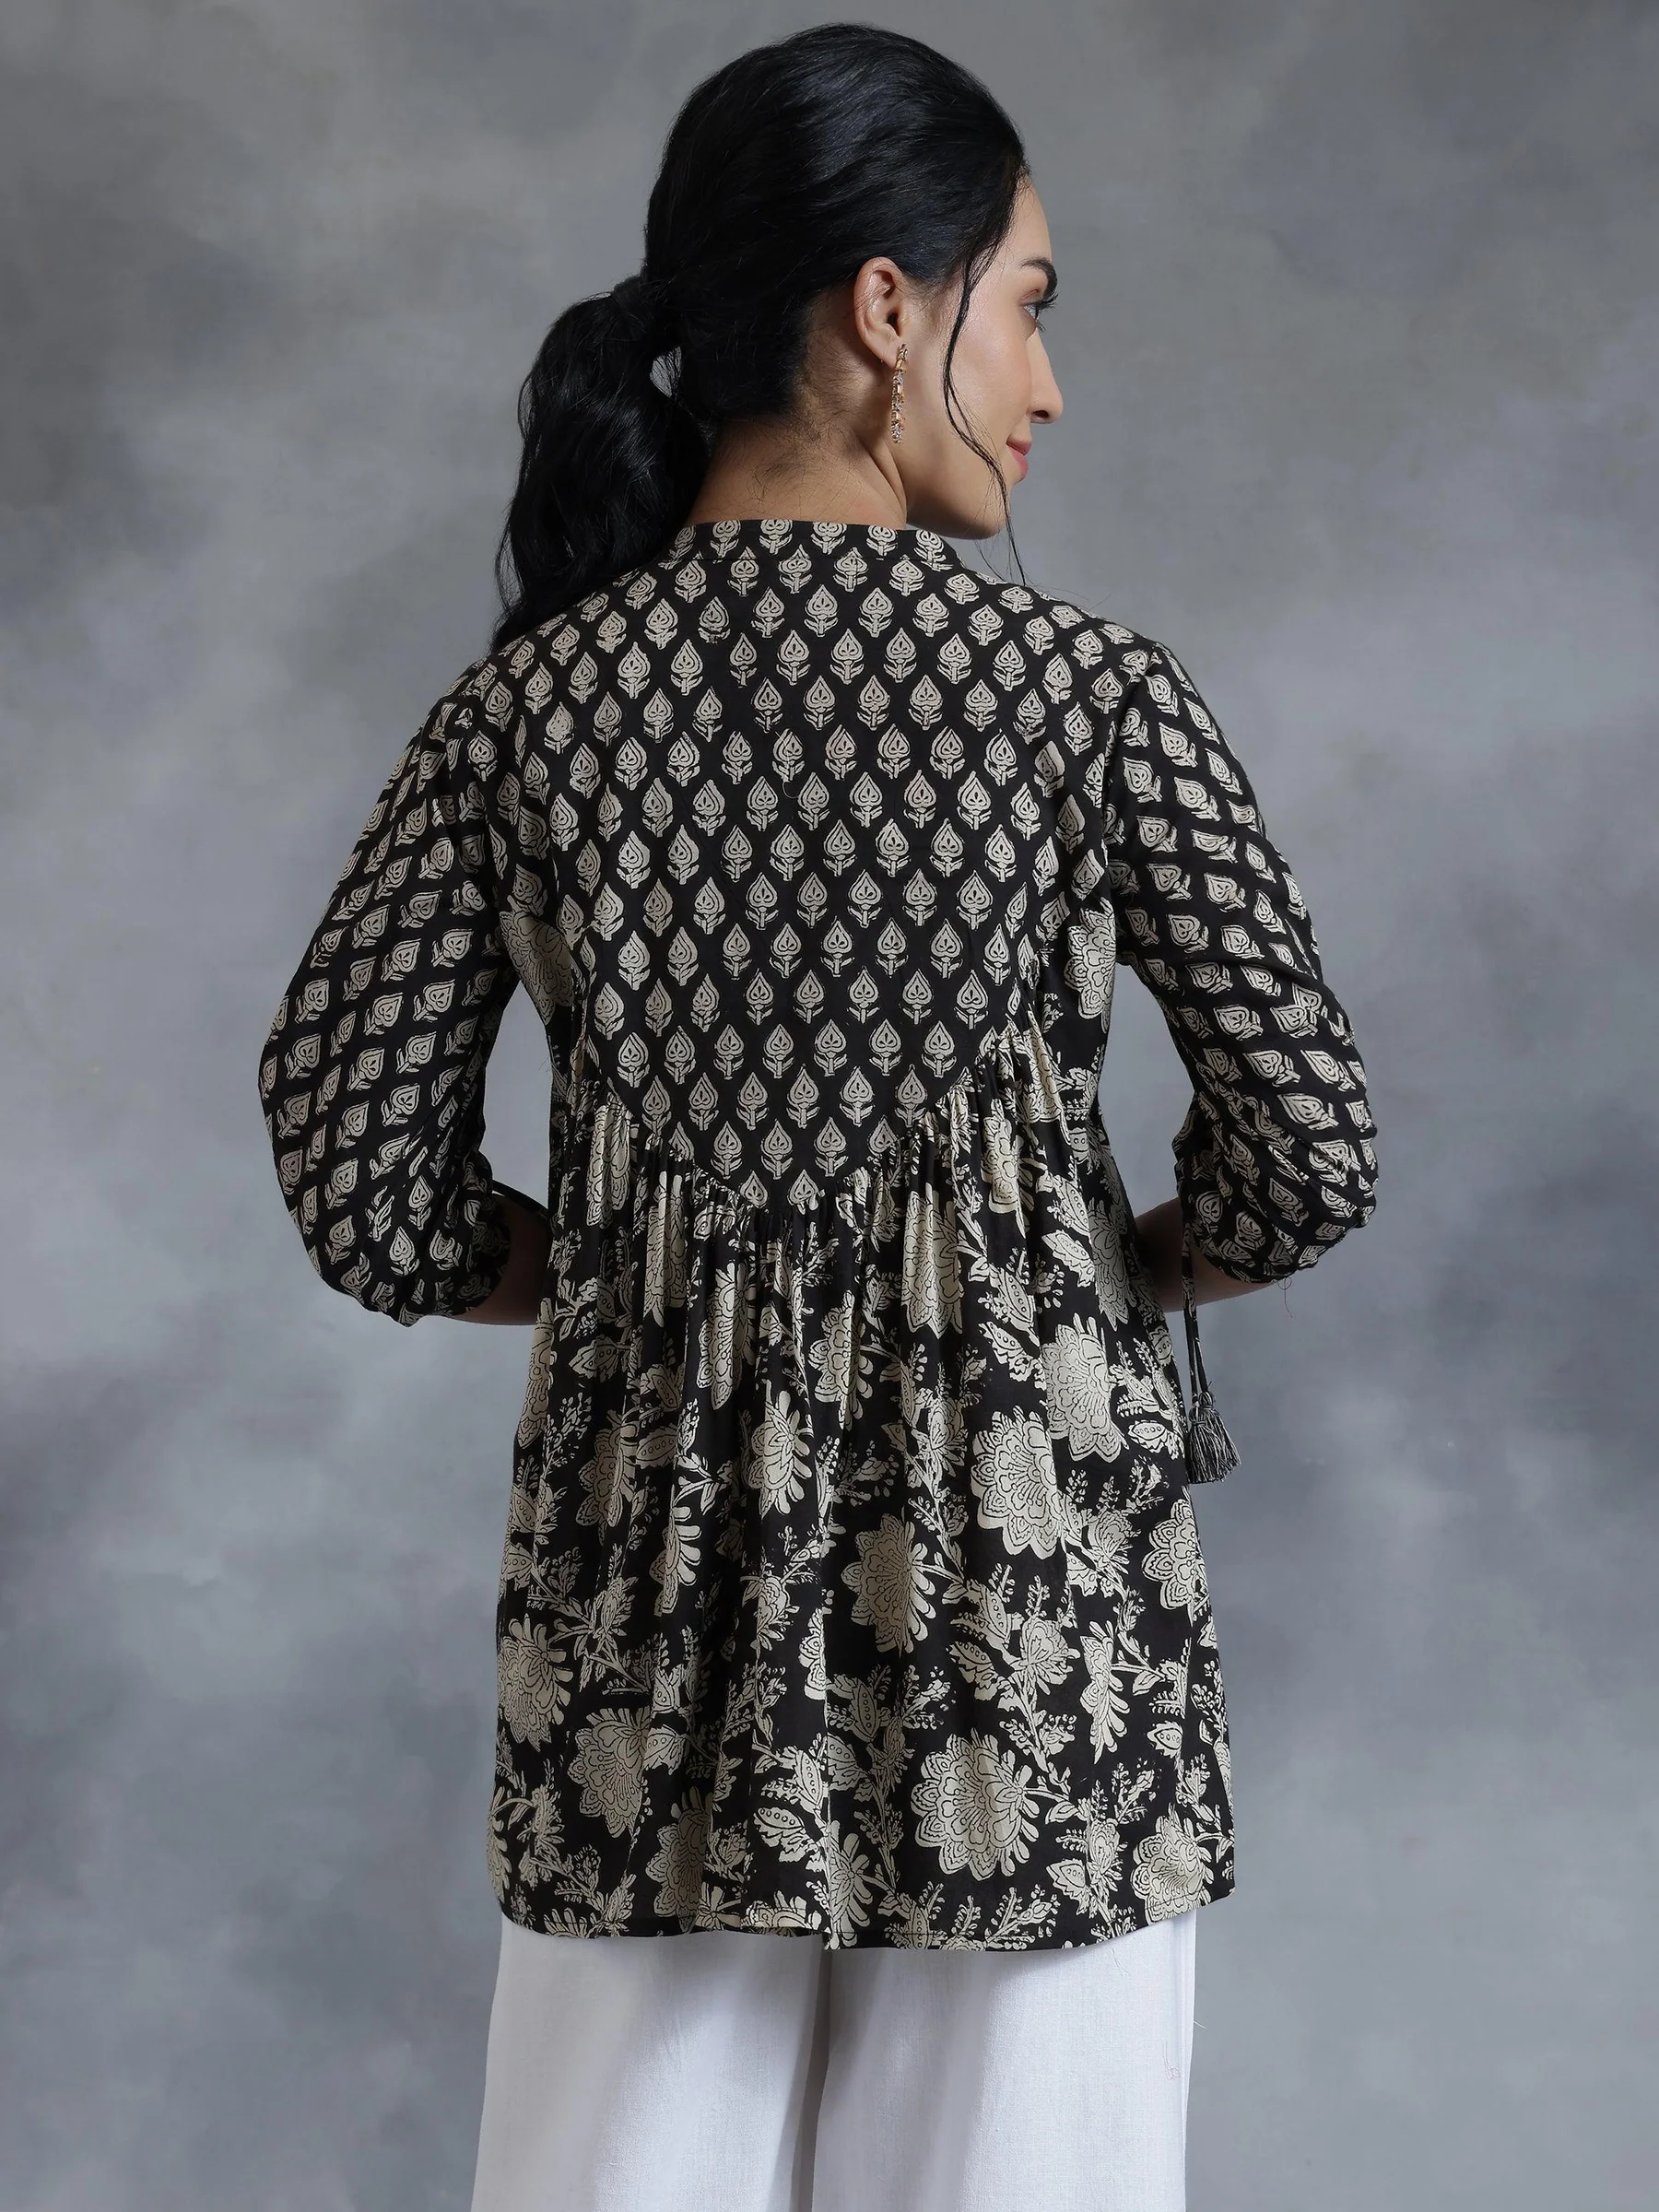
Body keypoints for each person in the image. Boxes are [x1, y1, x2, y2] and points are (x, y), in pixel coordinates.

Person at [257, 23, 1377, 2211]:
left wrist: (618, 1276)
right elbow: (1310, 1149)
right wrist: (1109, 1268)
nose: (1048, 386)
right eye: (1024, 307)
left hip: (642, 1662)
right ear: (888, 308)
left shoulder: (526, 716)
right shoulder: (1090, 702)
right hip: (1029, 1664)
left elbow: (354, 1169)